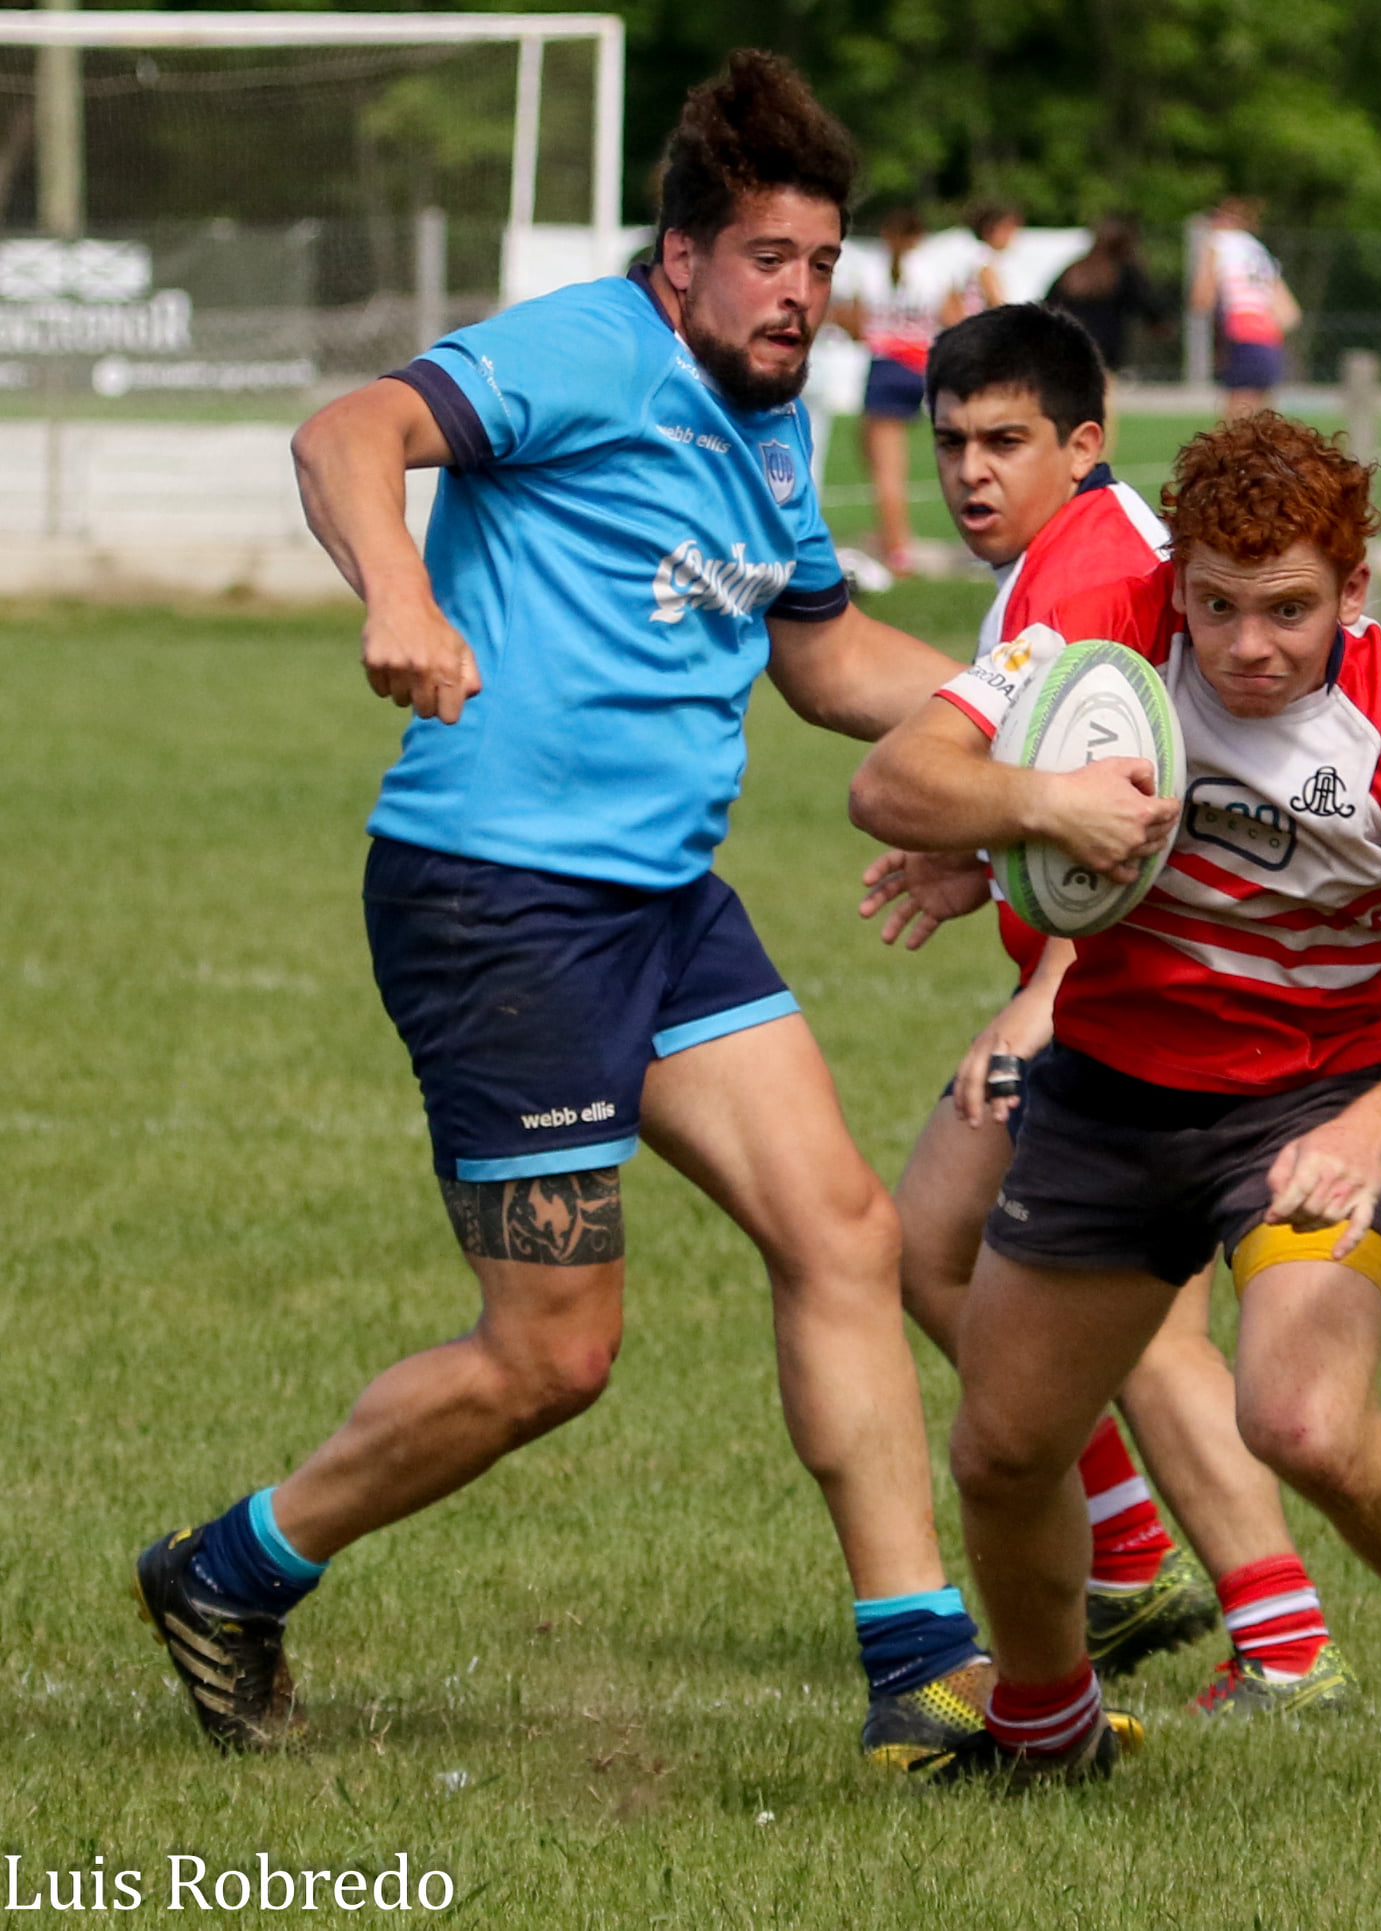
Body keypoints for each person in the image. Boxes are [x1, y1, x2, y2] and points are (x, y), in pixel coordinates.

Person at [133, 49, 996, 1771]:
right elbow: (347, 428)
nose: (800, 298)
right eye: (769, 260)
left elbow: (819, 657)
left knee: (840, 1233)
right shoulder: (583, 350)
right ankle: (224, 1571)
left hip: (663, 901)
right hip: (499, 904)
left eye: (822, 266)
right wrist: (395, 590)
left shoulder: (770, 424)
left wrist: (1026, 709)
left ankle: (922, 1676)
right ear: (679, 256)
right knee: (554, 1354)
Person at [849, 411, 1381, 1807]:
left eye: (1289, 609)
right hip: (1111, 1096)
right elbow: (889, 781)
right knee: (1002, 1448)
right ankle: (1049, 1725)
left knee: (1300, 1418)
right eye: (1217, 604)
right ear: (1174, 576)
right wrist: (1026, 809)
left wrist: (1369, 1131)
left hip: (1312, 1101)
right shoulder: (1101, 641)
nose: (1246, 644)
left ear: (1351, 591)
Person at [859, 305, 1359, 1718]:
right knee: (936, 1245)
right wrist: (992, 859)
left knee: (1123, 1316)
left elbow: (1166, 798)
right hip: (1145, 982)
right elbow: (1105, 770)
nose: (967, 471)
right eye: (949, 440)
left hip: (1152, 1000)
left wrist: (1044, 987)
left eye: (1002, 441)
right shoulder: (1076, 554)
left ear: (1083, 443)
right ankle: (1135, 1555)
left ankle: (1276, 1631)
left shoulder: (1082, 575)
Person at [838, 207, 949, 576]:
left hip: (887, 366)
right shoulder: (934, 271)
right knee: (872, 450)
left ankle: (897, 548)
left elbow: (857, 326)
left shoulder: (869, 269)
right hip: (922, 365)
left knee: (886, 470)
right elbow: (954, 317)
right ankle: (889, 534)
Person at [1189, 198, 1299, 418]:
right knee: (1263, 425)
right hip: (1269, 340)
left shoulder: (1218, 243)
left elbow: (1201, 300)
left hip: (1240, 335)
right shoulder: (1258, 251)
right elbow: (1290, 314)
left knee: (1234, 430)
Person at [1045, 216, 1170, 376]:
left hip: (1069, 337)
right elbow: (1143, 301)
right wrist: (1160, 323)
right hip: (1106, 341)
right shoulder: (1122, 271)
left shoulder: (1074, 269)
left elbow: (1050, 302)